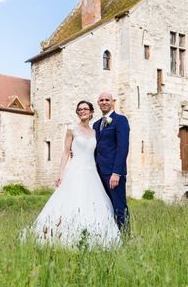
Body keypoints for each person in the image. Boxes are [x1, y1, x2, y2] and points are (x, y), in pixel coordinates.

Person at [26, 101, 121, 249]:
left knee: (94, 203)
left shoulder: (95, 131)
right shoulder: (71, 129)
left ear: (91, 112)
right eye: (80, 109)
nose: (83, 111)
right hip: (75, 170)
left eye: (85, 109)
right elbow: (65, 153)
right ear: (77, 112)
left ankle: (94, 237)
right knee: (71, 201)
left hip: (92, 172)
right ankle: (61, 235)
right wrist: (60, 173)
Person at [93, 92, 130, 234]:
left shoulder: (120, 120)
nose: (104, 102)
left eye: (107, 100)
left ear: (112, 102)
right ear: (98, 103)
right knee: (105, 206)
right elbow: (94, 147)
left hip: (114, 173)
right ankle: (110, 236)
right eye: (101, 100)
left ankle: (125, 236)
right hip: (98, 173)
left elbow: (122, 147)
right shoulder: (96, 125)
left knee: (119, 206)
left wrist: (117, 172)